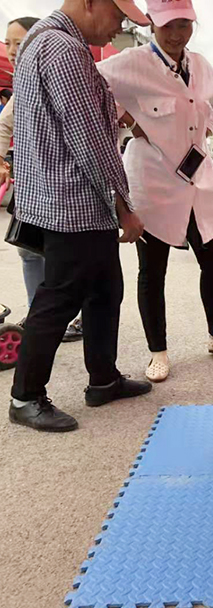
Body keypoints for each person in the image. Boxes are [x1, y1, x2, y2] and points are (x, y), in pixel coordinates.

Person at [9, 0, 153, 433]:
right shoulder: (63, 49)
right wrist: (125, 207)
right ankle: (25, 396)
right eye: (118, 16)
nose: (118, 28)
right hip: (73, 200)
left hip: (68, 196)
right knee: (60, 298)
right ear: (90, 2)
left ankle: (103, 378)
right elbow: (90, 141)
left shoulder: (43, 40)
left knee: (105, 290)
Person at [97, 0, 213, 383]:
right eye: (168, 26)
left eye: (184, 24)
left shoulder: (201, 65)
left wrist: (209, 127)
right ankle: (158, 351)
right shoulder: (133, 63)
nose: (177, 34)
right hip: (154, 181)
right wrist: (127, 119)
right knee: (153, 270)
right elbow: (89, 83)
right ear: (152, 24)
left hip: (198, 182)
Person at [1, 16, 84, 342]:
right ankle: (41, 315)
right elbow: (4, 125)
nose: (11, 50)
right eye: (8, 43)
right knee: (28, 250)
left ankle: (67, 316)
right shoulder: (23, 82)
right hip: (30, 185)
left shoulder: (57, 75)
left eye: (18, 42)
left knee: (62, 255)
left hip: (63, 188)